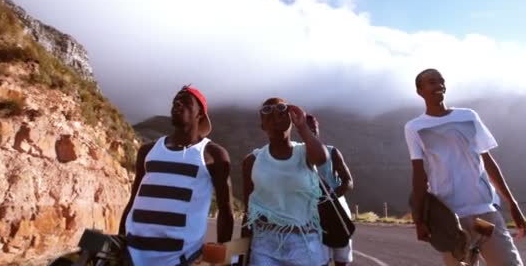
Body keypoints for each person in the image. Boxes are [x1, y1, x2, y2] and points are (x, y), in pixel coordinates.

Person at [404, 69, 526, 266]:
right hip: (449, 221)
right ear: (420, 91)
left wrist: (512, 203)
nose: (439, 85)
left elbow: (487, 161)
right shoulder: (414, 127)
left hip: (484, 213)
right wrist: (420, 220)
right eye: (431, 82)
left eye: (441, 81)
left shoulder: (468, 116)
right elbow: (419, 176)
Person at [119, 85, 233, 265]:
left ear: (200, 114)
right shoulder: (148, 150)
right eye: (175, 101)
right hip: (133, 253)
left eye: (186, 102)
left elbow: (225, 208)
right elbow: (134, 200)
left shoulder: (213, 155)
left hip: (180, 258)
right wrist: (120, 240)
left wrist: (222, 254)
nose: (178, 104)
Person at [242, 98, 329, 266]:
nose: (275, 112)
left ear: (291, 118)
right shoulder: (253, 160)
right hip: (264, 244)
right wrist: (243, 252)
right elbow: (248, 211)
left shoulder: (305, 153)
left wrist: (303, 126)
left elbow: (322, 158)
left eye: (281, 109)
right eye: (267, 110)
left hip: (305, 243)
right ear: (262, 124)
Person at [306, 114, 354, 266]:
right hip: (312, 211)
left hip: (336, 206)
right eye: (308, 128)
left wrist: (332, 196)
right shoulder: (296, 155)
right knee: (319, 257)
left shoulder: (332, 152)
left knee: (342, 253)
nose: (312, 131)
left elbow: (348, 181)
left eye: (314, 128)